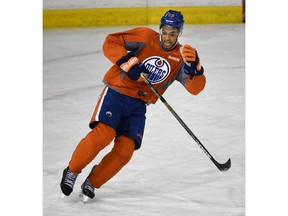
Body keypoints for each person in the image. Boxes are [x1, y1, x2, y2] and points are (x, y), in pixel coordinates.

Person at [60, 9, 206, 202]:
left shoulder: (181, 58)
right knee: (103, 135)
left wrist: (195, 69)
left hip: (139, 105)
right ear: (160, 29)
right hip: (117, 93)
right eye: (165, 31)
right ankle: (72, 171)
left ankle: (93, 182)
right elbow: (110, 42)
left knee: (125, 151)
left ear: (180, 33)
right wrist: (128, 63)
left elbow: (195, 89)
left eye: (173, 33)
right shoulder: (145, 37)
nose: (167, 37)